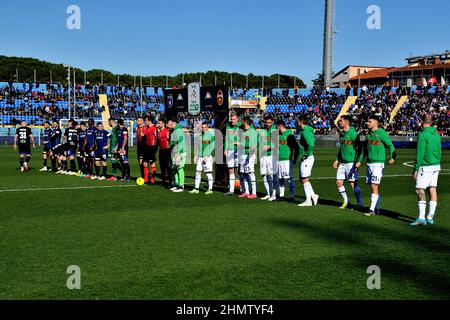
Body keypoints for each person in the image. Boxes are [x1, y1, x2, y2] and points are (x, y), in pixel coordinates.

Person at [357, 115, 396, 217]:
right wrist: (360, 161)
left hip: (378, 164)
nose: (367, 123)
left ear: (376, 122)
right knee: (372, 187)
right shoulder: (368, 134)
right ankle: (377, 208)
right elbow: (365, 150)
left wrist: (392, 157)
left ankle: (371, 210)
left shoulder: (382, 133)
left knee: (374, 185)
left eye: (369, 121)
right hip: (369, 164)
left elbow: (390, 145)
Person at [410, 114, 442, 226]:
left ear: (422, 121)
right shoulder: (437, 135)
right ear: (432, 122)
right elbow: (439, 151)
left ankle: (421, 218)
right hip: (436, 165)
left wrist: (415, 168)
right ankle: (430, 217)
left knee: (419, 190)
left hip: (426, 166)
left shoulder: (422, 134)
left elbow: (420, 153)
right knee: (432, 189)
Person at [333, 115, 363, 209]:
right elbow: (341, 149)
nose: (339, 122)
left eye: (340, 121)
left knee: (352, 183)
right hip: (342, 163)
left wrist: (359, 161)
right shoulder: (342, 134)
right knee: (339, 182)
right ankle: (346, 201)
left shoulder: (353, 133)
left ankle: (359, 203)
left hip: (351, 163)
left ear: (346, 122)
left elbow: (360, 149)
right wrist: (337, 159)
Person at [297, 115, 319, 207]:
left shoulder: (306, 131)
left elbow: (311, 144)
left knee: (304, 179)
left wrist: (306, 154)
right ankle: (313, 196)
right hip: (306, 158)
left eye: (297, 121)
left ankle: (308, 201)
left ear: (300, 122)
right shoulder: (305, 131)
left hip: (307, 158)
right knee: (302, 179)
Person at [275, 120, 299, 202]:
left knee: (289, 178)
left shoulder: (289, 135)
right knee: (280, 178)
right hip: (279, 159)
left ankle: (292, 197)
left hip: (286, 160)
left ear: (279, 126)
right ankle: (281, 196)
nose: (276, 128)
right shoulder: (278, 135)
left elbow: (296, 147)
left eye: (276, 126)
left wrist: (294, 159)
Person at [190, 122, 215, 195]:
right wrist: (196, 156)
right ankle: (196, 188)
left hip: (207, 157)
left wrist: (207, 155)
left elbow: (212, 146)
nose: (203, 129)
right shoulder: (200, 137)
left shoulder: (211, 136)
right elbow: (198, 148)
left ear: (207, 128)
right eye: (202, 127)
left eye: (205, 127)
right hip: (200, 158)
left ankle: (210, 189)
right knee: (198, 172)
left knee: (208, 173)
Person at [259, 115, 279, 201]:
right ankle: (268, 193)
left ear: (272, 122)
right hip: (263, 154)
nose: (267, 124)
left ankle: (274, 194)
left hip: (272, 155)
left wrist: (269, 146)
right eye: (266, 122)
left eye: (269, 122)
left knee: (271, 175)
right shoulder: (262, 130)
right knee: (264, 174)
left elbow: (277, 142)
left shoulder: (275, 130)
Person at [238, 117, 258, 199]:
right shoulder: (243, 132)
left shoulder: (252, 131)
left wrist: (240, 144)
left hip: (249, 155)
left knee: (250, 173)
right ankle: (246, 191)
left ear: (245, 122)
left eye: (241, 121)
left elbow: (252, 145)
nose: (240, 123)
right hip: (243, 154)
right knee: (243, 173)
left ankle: (254, 192)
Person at [223, 112, 241, 195]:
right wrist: (225, 149)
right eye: (231, 119)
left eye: (234, 119)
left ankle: (242, 189)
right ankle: (231, 190)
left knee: (239, 170)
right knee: (231, 169)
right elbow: (227, 138)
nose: (232, 121)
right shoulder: (228, 125)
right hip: (230, 149)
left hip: (239, 150)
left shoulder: (241, 126)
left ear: (237, 119)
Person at [168, 117, 187, 192]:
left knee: (180, 168)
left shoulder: (178, 130)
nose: (170, 125)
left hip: (180, 153)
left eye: (171, 123)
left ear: (174, 123)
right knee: (175, 169)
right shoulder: (175, 130)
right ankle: (176, 184)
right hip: (176, 152)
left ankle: (181, 186)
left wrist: (178, 154)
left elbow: (180, 143)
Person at [142, 115, 158, 185]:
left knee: (152, 164)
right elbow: (142, 134)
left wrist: (155, 148)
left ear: (149, 121)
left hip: (152, 147)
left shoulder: (155, 128)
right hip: (146, 147)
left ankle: (152, 180)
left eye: (146, 120)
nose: (145, 122)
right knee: (145, 163)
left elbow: (157, 138)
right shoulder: (146, 128)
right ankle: (145, 180)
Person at [157, 117, 171, 187]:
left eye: (159, 123)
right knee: (162, 166)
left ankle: (170, 181)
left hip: (167, 150)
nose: (158, 124)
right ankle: (163, 181)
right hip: (161, 150)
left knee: (168, 166)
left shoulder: (167, 131)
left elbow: (169, 140)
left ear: (163, 124)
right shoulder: (159, 132)